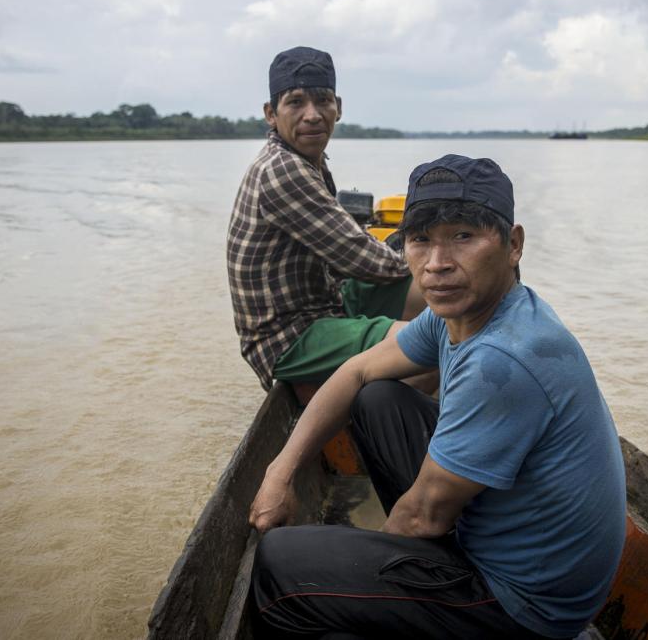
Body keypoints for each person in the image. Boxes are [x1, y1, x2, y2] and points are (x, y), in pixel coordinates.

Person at [247, 154, 627, 639]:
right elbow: (359, 369)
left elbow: (422, 515)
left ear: (513, 245)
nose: (437, 264)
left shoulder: (502, 360)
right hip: (493, 547)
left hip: (523, 608)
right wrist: (280, 472)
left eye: (464, 236)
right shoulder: (463, 311)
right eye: (420, 240)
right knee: (377, 398)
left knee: (282, 565)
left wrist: (360, 569)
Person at [227, 46, 423, 393]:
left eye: (322, 101)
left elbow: (351, 254)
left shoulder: (307, 159)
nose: (313, 115)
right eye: (296, 102)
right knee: (430, 340)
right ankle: (394, 421)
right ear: (271, 113)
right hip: (287, 337)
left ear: (339, 107)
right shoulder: (282, 169)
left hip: (323, 302)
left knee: (435, 290)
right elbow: (361, 258)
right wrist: (422, 259)